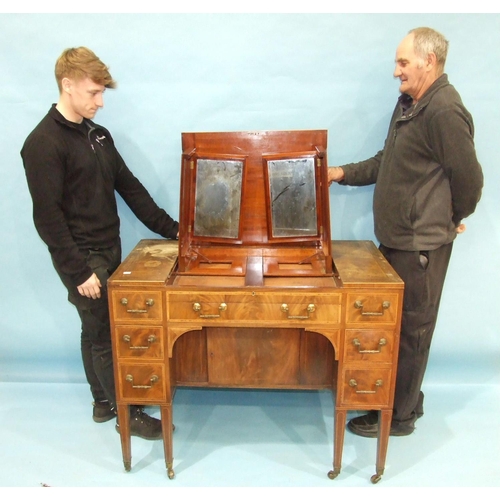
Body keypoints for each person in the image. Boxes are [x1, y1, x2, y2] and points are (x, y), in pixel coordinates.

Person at [328, 27, 483, 437]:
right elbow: (387, 161)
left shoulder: (445, 110)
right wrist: (340, 174)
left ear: (428, 61)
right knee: (397, 329)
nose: (396, 71)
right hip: (397, 242)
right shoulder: (411, 104)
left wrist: (450, 219)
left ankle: (400, 417)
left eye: (402, 62)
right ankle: (407, 398)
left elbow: (470, 178)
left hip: (420, 248)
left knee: (412, 332)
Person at [21, 47, 179, 440]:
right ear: (67, 84)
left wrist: (176, 230)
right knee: (106, 333)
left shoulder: (98, 135)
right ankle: (129, 413)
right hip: (82, 258)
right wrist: (79, 271)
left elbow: (130, 188)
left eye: (103, 92)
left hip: (109, 250)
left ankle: (101, 401)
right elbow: (48, 217)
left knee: (93, 330)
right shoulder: (42, 143)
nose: (101, 102)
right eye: (93, 92)